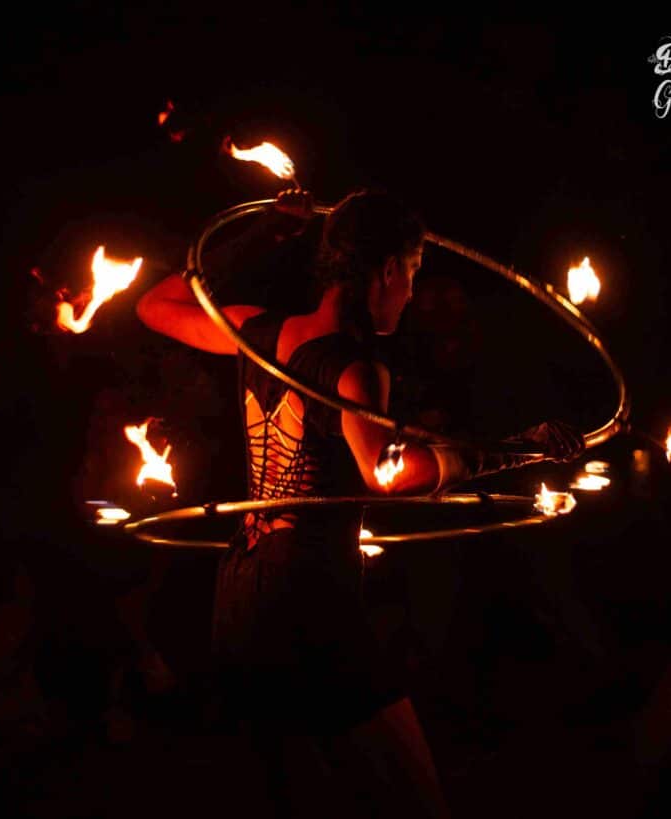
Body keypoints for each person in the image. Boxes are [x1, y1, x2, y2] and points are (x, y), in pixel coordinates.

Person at [135, 188, 583, 817]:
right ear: (389, 268)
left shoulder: (261, 331)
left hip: (240, 587)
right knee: (417, 802)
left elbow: (157, 304)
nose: (411, 294)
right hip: (308, 596)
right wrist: (517, 450)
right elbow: (388, 475)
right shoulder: (357, 368)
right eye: (415, 272)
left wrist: (264, 232)